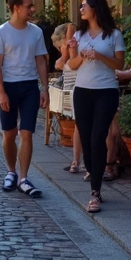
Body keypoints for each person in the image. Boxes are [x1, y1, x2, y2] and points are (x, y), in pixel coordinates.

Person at [66, 0, 125, 213]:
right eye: (81, 5)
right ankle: (93, 170)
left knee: (98, 137)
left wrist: (99, 56)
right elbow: (72, 65)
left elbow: (120, 64)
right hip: (82, 91)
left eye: (85, 5)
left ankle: (95, 192)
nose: (81, 9)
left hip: (106, 91)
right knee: (86, 137)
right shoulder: (79, 35)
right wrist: (79, 54)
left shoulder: (114, 35)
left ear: (96, 8)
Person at [0, 0, 48, 197]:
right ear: (16, 7)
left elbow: (40, 61)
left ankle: (24, 178)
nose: (33, 9)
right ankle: (11, 172)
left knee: (27, 133)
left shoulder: (36, 32)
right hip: (9, 86)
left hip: (30, 87)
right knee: (9, 134)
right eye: (29, 6)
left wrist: (44, 88)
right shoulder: (1, 32)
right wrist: (1, 92)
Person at [52, 23, 83, 175]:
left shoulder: (72, 48)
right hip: (74, 90)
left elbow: (70, 26)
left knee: (81, 126)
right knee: (80, 126)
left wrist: (69, 35)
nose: (60, 49)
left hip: (80, 87)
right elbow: (60, 63)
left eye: (60, 46)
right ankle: (76, 161)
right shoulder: (67, 55)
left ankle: (77, 161)